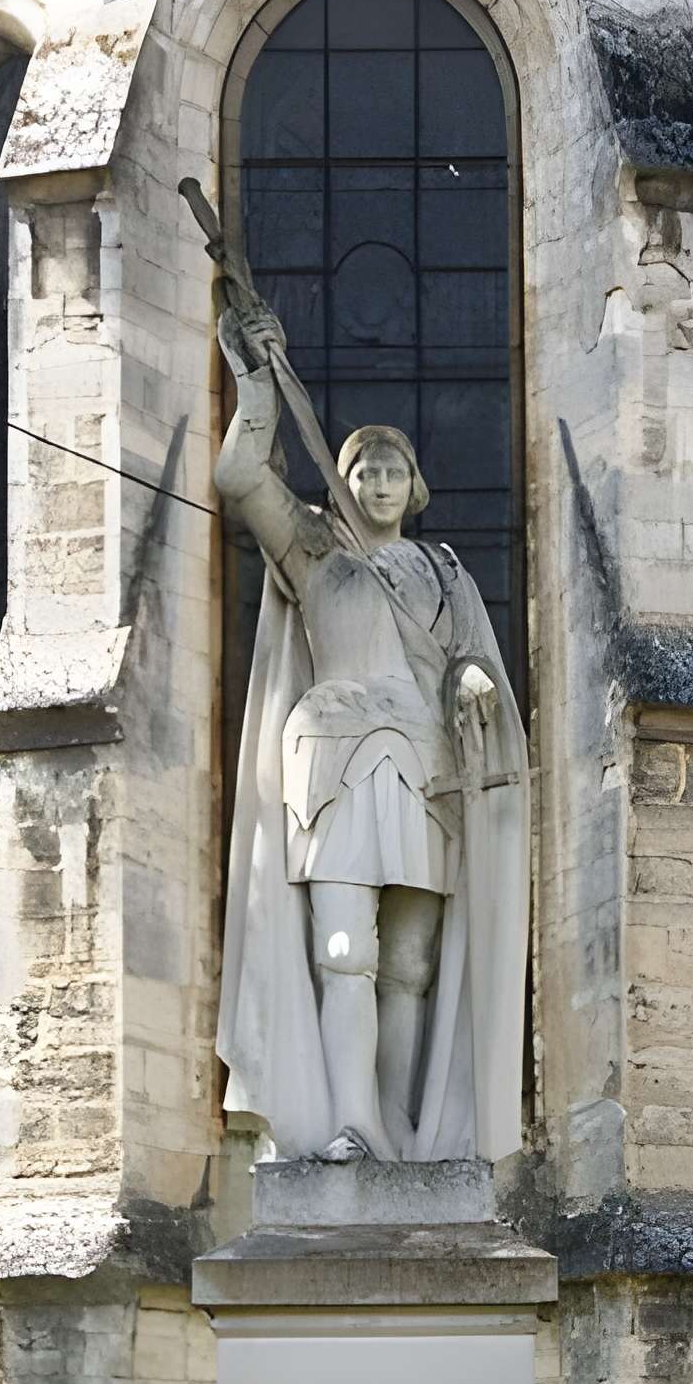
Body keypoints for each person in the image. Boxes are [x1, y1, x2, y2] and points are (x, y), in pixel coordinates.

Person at [215, 297, 529, 1164]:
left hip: (427, 768)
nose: (380, 484)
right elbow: (241, 479)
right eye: (364, 471)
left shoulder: (445, 569)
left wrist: (469, 675)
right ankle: (350, 1120)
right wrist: (254, 386)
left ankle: (393, 1126)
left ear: (415, 488)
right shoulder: (313, 550)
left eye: (393, 472)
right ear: (343, 485)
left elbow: (473, 658)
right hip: (335, 762)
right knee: (345, 948)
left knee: (412, 966)